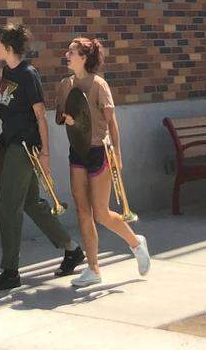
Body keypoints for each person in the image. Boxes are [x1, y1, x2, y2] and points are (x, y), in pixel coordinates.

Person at [0, 22, 84, 293]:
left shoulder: (28, 75)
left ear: (8, 48)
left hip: (25, 147)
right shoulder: (7, 71)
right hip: (10, 143)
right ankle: (72, 250)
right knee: (31, 203)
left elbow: (41, 116)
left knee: (8, 205)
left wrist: (46, 154)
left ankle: (10, 271)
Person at [56, 36, 150, 287]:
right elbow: (62, 114)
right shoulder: (66, 84)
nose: (67, 55)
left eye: (71, 52)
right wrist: (67, 118)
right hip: (77, 151)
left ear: (84, 58)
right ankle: (94, 268)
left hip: (100, 152)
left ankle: (136, 243)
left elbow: (111, 123)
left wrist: (118, 155)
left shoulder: (99, 85)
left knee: (101, 213)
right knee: (82, 212)